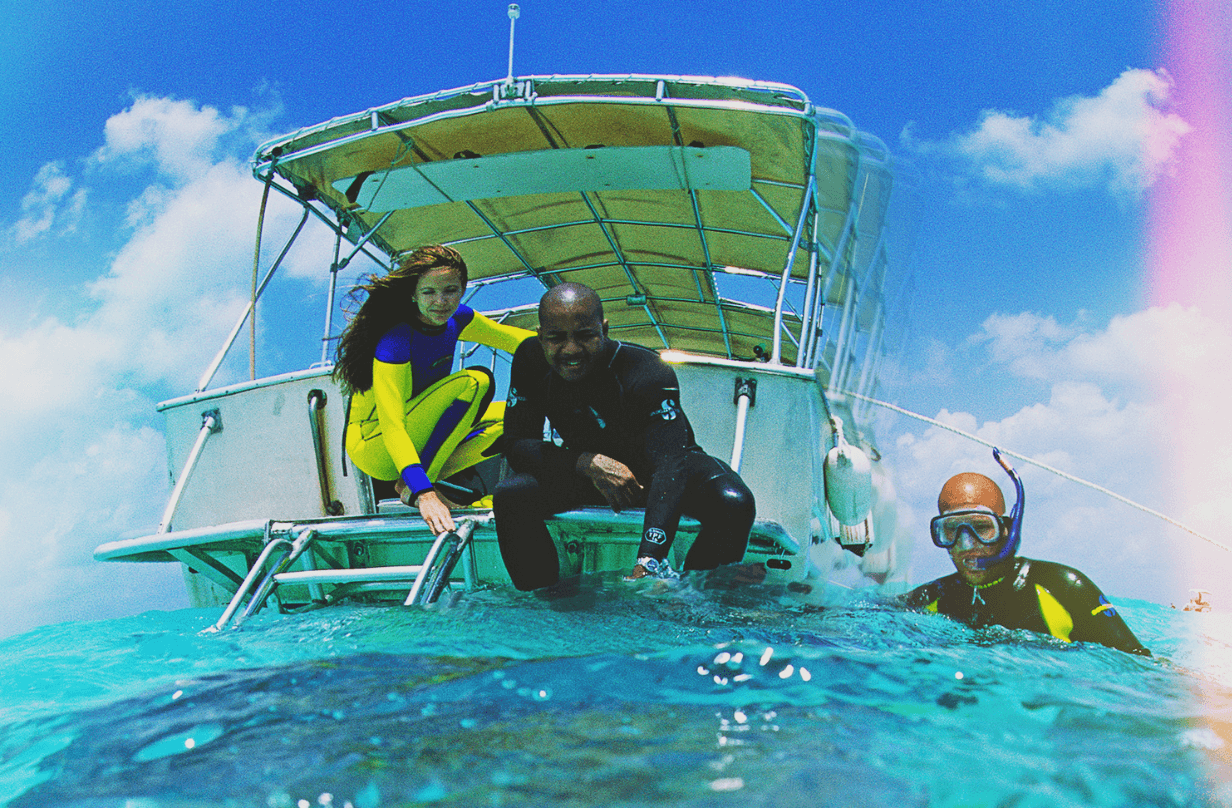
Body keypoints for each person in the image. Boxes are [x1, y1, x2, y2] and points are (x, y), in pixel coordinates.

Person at [493, 282, 756, 590]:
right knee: (511, 495)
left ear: (604, 329)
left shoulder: (646, 371)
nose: (571, 349)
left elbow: (671, 464)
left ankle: (693, 606)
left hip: (665, 475)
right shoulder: (530, 359)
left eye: (585, 335)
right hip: (594, 476)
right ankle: (545, 605)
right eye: (556, 338)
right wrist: (586, 463)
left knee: (734, 503)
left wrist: (649, 559)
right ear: (540, 336)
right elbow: (515, 444)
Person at [333, 244, 533, 535]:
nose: (441, 301)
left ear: (463, 289)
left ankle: (422, 481)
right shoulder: (396, 340)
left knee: (519, 415)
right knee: (477, 382)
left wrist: (575, 343)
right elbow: (393, 425)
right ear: (413, 294)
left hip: (415, 431)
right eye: (429, 292)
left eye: (450, 290)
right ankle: (415, 486)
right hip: (375, 445)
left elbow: (519, 342)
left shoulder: (459, 319)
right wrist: (424, 495)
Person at [904, 450, 1150, 655]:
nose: (966, 545)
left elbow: (1140, 664)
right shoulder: (930, 598)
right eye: (951, 531)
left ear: (1006, 530)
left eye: (981, 528)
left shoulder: (1064, 587)